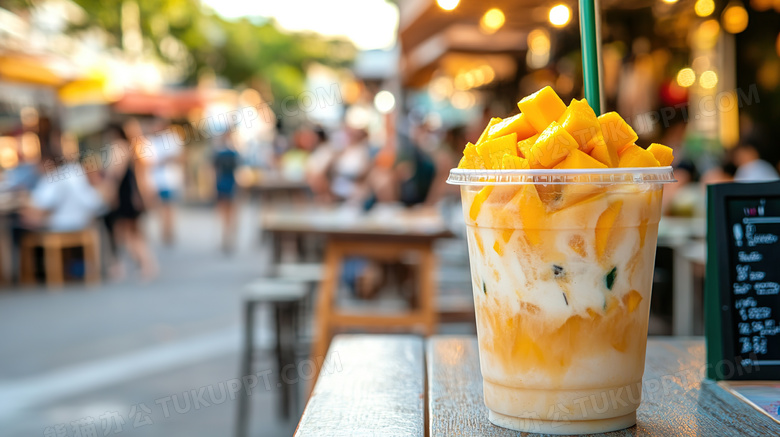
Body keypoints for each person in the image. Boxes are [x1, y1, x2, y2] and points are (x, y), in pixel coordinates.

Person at [103, 123, 157, 281]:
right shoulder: (134, 149)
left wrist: (109, 194)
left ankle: (145, 264)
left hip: (124, 196)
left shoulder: (119, 147)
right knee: (132, 233)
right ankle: (144, 264)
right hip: (132, 196)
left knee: (127, 233)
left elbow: (115, 175)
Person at [147, 118, 183, 245]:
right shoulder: (150, 141)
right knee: (159, 208)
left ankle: (169, 232)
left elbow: (179, 156)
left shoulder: (172, 138)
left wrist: (164, 160)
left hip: (170, 180)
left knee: (169, 207)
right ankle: (164, 231)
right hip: (156, 181)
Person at [212, 131, 240, 253]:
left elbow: (214, 170)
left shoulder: (219, 152)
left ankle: (226, 237)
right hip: (229, 183)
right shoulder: (233, 152)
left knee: (225, 212)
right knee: (230, 212)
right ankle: (228, 237)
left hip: (223, 183)